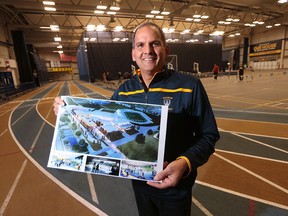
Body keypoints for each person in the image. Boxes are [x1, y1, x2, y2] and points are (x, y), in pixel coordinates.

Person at [53, 22, 219, 216]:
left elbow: (209, 135)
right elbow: (99, 121)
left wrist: (184, 163)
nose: (148, 51)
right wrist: (67, 111)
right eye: (141, 45)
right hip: (141, 186)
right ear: (133, 54)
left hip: (177, 187)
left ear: (166, 49)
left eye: (154, 43)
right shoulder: (124, 91)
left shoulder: (190, 86)